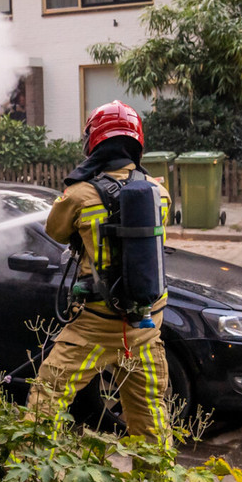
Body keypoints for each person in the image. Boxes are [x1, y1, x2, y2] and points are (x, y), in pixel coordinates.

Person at [31, 100, 172, 447]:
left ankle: (29, 471)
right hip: (145, 326)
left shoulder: (79, 195)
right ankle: (158, 478)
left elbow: (56, 231)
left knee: (45, 401)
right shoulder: (159, 192)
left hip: (96, 323)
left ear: (93, 142)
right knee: (150, 417)